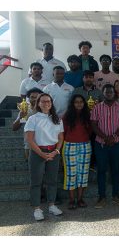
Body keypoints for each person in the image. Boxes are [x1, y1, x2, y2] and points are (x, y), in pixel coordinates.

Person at [24, 93, 64, 221]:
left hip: (53, 153)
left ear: (51, 103)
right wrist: (42, 154)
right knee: (36, 182)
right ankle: (37, 208)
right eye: (43, 101)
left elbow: (60, 137)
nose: (46, 103)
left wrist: (56, 151)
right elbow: (29, 139)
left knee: (52, 180)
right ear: (38, 103)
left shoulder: (57, 119)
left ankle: (52, 205)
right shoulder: (33, 119)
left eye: (48, 101)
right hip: (37, 152)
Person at [91, 84, 119, 208]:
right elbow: (94, 125)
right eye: (106, 92)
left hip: (116, 143)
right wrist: (105, 137)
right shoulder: (96, 108)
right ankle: (101, 197)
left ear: (114, 93)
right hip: (100, 144)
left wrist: (113, 136)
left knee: (115, 170)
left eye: (111, 92)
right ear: (103, 93)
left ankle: (116, 195)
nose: (109, 94)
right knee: (101, 170)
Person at [62, 94, 92, 209]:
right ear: (72, 104)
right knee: (71, 173)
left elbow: (90, 131)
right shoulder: (67, 116)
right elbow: (63, 132)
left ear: (84, 103)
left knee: (83, 173)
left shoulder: (88, 115)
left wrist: (83, 139)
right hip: (69, 145)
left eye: (81, 102)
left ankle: (80, 199)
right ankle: (71, 200)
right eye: (76, 102)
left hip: (85, 145)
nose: (79, 104)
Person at [13, 88, 43, 160]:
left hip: (44, 144)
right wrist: (21, 117)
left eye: (37, 97)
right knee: (32, 168)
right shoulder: (25, 109)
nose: (34, 99)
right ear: (28, 98)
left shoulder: (45, 109)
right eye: (32, 97)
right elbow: (14, 128)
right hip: (29, 145)